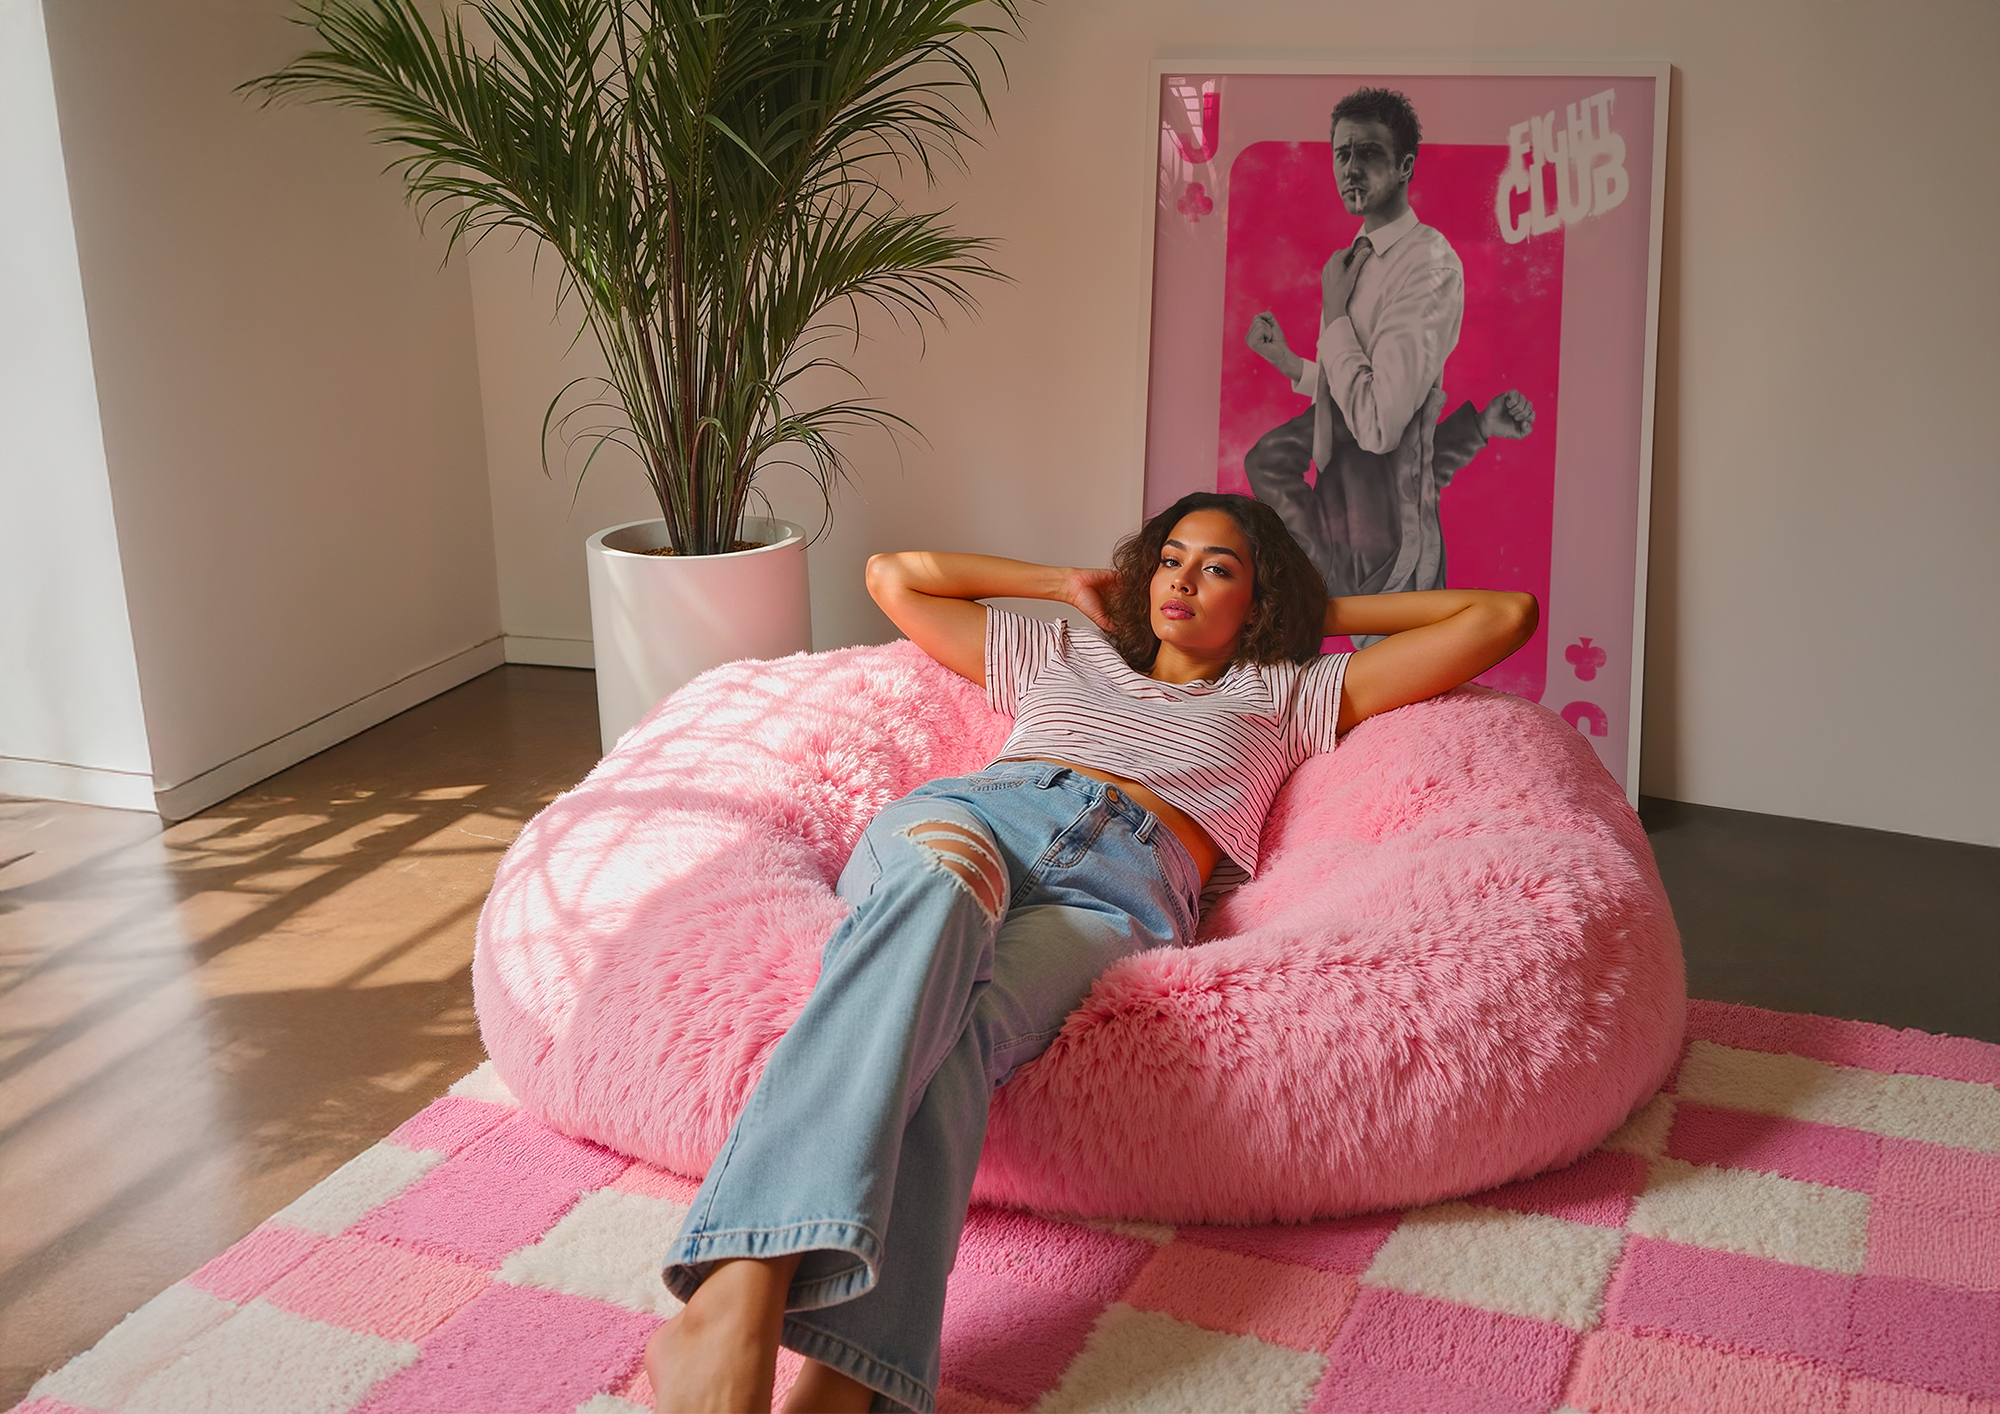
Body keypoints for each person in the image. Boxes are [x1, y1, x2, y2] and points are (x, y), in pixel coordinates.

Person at [644, 491, 1538, 1414]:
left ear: (1259, 597)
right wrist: (1064, 585)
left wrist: (1309, 612)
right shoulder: (1070, 654)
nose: (1182, 581)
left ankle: (842, 1379)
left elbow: (1501, 615)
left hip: (1118, 890)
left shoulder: (1289, 693)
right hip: (983, 818)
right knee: (942, 893)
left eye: (1219, 569)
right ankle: (742, 1289)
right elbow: (894, 578)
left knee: (958, 1035)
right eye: (1171, 559)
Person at [1243, 87, 1535, 644]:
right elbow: (1354, 395)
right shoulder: (1355, 258)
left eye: (1370, 152)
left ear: (1405, 166)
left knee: (1395, 682)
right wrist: (1291, 364)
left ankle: (1320, 583)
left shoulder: (1426, 266)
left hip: (1388, 555)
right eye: (1342, 153)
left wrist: (1334, 313)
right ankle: (1320, 582)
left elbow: (1378, 424)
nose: (1351, 168)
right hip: (1346, 523)